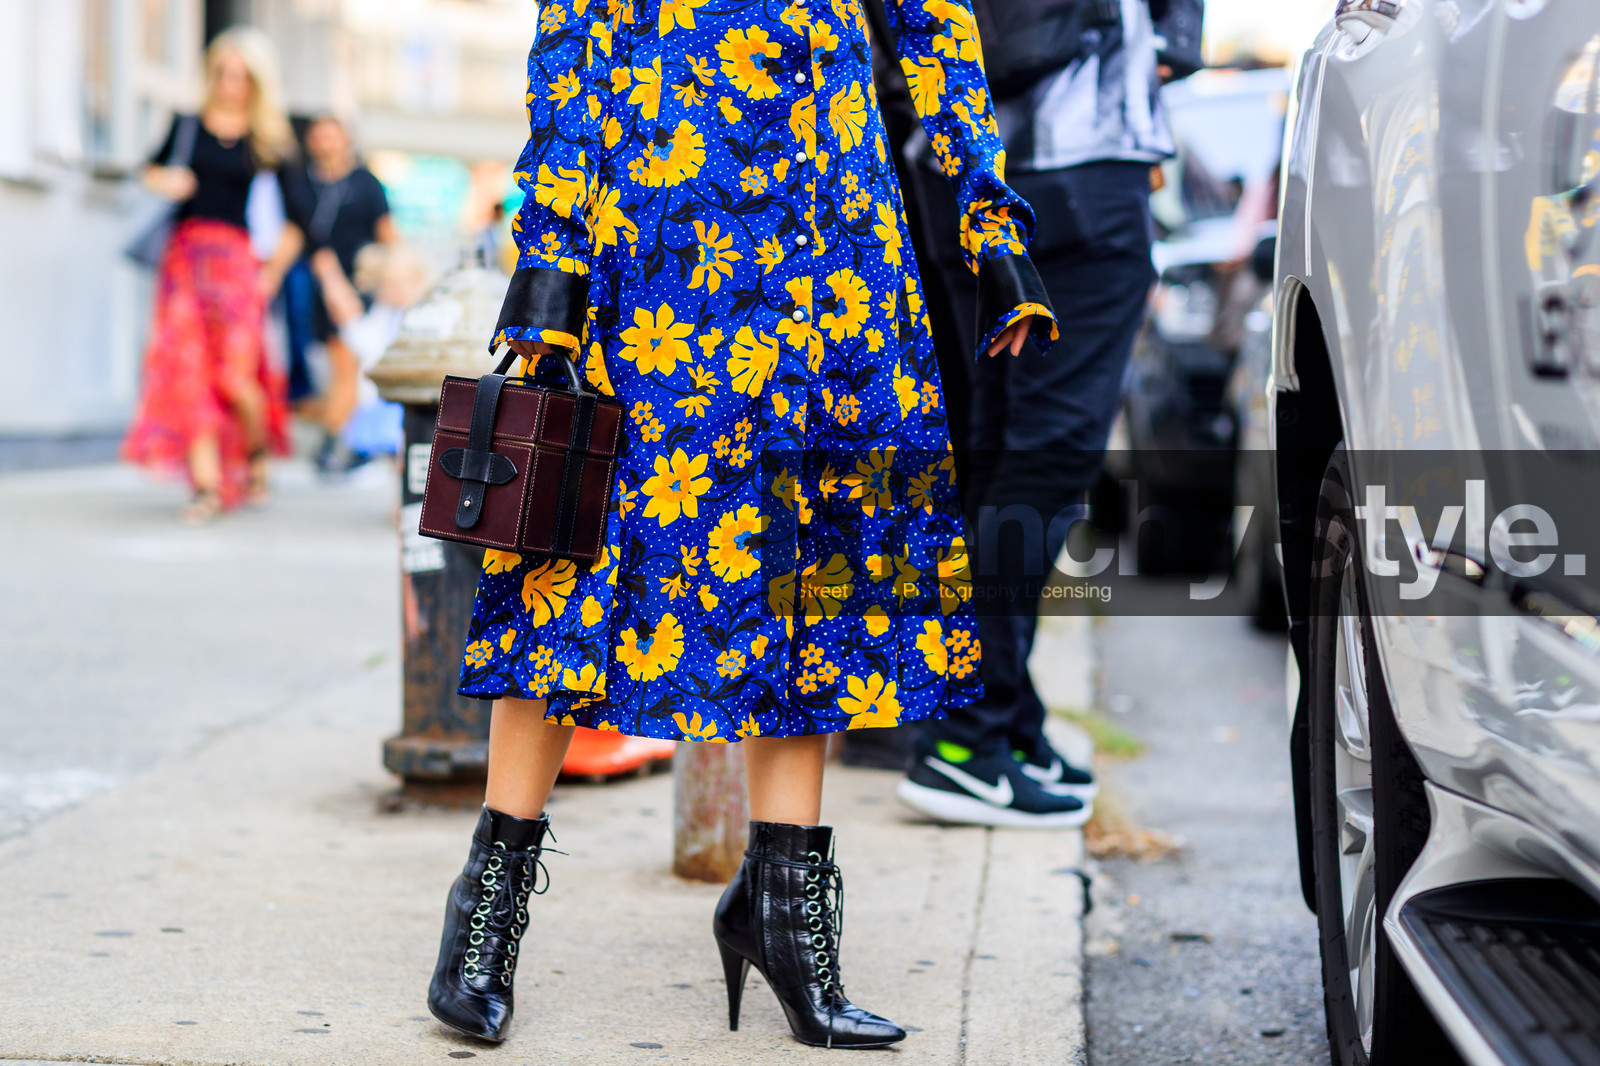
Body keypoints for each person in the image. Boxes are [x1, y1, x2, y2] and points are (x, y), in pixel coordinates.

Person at [424, 0, 1059, 1047]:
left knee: (815, 567)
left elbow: (933, 20)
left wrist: (988, 220)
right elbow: (576, 38)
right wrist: (549, 258)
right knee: (569, 566)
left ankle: (786, 916)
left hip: (831, 243)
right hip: (662, 236)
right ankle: (486, 904)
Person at [897, 0, 1191, 826]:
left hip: (960, 174)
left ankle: (1000, 719)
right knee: (1044, 460)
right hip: (1078, 166)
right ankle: (965, 734)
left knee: (993, 453)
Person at [122, 27, 301, 522]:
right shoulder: (186, 125)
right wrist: (166, 180)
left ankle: (257, 451)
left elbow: (296, 224)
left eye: (241, 76)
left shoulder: (267, 141)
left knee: (235, 377)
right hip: (185, 262)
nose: (230, 84)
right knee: (189, 372)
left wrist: (269, 277)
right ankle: (206, 487)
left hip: (237, 266)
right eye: (222, 73)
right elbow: (147, 170)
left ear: (256, 83)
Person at [280, 113, 398, 475]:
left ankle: (336, 440)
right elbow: (297, 234)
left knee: (348, 362)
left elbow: (387, 234)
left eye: (334, 135)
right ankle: (344, 439)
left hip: (360, 283)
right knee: (339, 362)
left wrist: (397, 280)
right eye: (320, 136)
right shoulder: (302, 183)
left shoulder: (366, 183)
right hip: (320, 282)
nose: (327, 143)